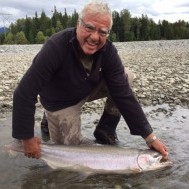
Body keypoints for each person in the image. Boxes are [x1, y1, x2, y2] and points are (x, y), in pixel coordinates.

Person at [12, 1, 168, 160]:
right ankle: (49, 116)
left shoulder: (108, 51)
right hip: (60, 101)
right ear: (78, 24)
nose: (95, 37)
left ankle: (105, 130)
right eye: (90, 27)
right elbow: (24, 93)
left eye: (102, 32)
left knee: (125, 76)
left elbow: (123, 94)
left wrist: (150, 137)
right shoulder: (56, 46)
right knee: (72, 157)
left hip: (85, 88)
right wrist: (27, 138)